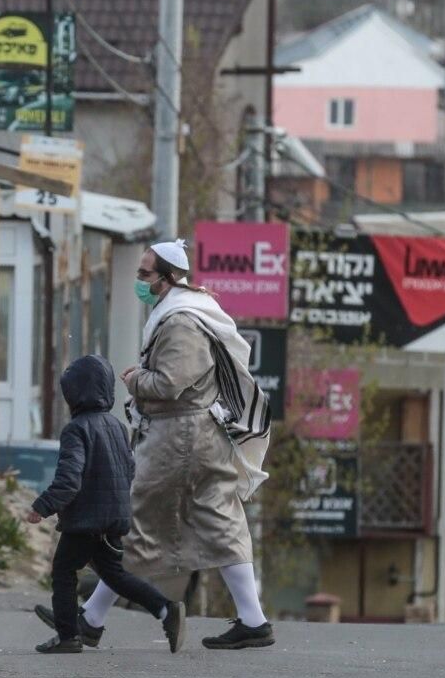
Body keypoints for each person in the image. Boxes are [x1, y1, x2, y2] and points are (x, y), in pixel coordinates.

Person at [34, 238, 275, 650]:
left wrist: (133, 380)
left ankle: (95, 618)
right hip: (199, 435)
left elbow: (170, 383)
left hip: (176, 437)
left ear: (166, 279)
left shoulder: (180, 321)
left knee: (130, 518)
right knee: (219, 520)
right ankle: (253, 620)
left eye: (145, 274)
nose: (139, 281)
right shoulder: (185, 313)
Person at [25, 354, 185, 655]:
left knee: (63, 572)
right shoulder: (116, 426)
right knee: (115, 575)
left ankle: (67, 636)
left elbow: (70, 479)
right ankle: (165, 610)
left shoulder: (76, 430)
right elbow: (130, 469)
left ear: (72, 394)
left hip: (86, 520)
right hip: (113, 517)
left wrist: (43, 506)